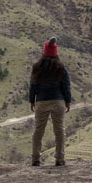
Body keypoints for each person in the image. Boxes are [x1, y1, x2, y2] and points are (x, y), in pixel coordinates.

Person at [29, 36, 72, 166]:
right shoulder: (61, 68)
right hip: (58, 101)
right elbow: (66, 86)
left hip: (41, 102)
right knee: (59, 130)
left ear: (44, 51)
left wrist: (32, 100)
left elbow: (33, 86)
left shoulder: (37, 67)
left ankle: (35, 159)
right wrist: (68, 101)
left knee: (38, 130)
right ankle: (60, 159)